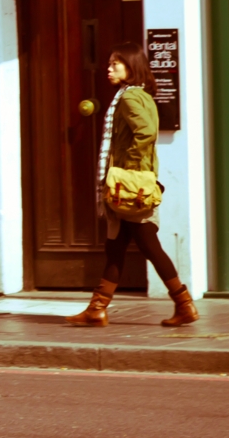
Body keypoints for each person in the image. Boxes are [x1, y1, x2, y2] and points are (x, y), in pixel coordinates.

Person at [71, 42, 199, 328]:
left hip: (131, 187)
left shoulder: (129, 99)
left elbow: (146, 132)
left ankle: (184, 303)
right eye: (109, 63)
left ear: (131, 67)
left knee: (149, 245)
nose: (109, 68)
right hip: (133, 184)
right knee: (115, 246)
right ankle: (96, 309)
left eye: (115, 63)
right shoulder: (137, 95)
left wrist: (128, 168)